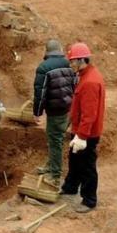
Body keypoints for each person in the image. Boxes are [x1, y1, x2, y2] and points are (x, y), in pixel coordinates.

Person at [60, 43, 105, 214]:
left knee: (87, 166)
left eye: (72, 61)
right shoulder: (85, 76)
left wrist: (82, 137)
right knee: (74, 160)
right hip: (80, 130)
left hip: (87, 133)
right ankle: (71, 186)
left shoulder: (90, 82)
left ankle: (89, 200)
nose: (70, 65)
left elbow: (89, 113)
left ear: (81, 60)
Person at [32, 39, 77, 187]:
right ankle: (50, 166)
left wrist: (37, 112)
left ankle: (55, 175)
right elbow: (75, 85)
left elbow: (40, 92)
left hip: (56, 111)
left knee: (55, 141)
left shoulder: (44, 68)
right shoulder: (69, 64)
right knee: (54, 139)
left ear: (46, 51)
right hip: (68, 109)